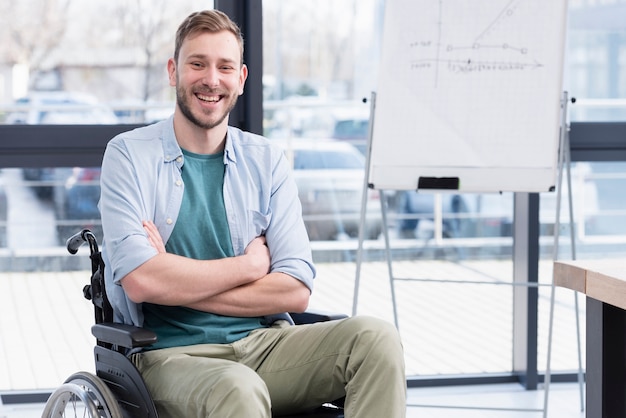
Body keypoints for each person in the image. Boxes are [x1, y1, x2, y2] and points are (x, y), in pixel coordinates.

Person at [99, 9, 406, 418]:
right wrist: (249, 266)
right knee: (237, 388)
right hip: (170, 357)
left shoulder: (266, 160)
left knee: (376, 339)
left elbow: (295, 288)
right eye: (197, 64)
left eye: (225, 67)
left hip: (265, 346)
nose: (212, 79)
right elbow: (140, 281)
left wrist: (174, 278)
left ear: (240, 79)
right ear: (173, 71)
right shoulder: (128, 155)